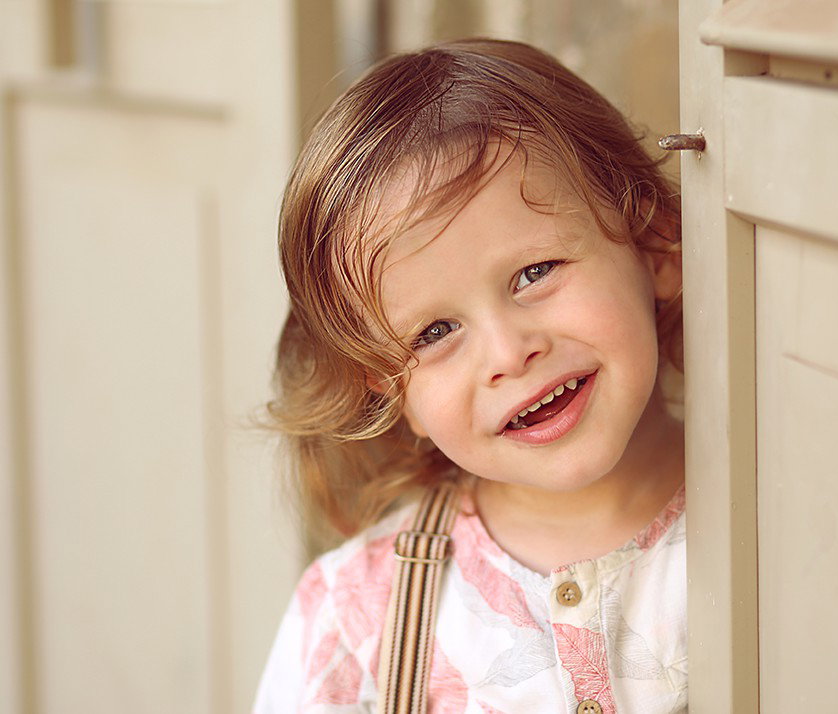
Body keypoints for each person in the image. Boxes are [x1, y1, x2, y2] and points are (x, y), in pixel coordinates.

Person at [254, 37, 687, 713]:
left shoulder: (787, 525)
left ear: (654, 247)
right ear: (393, 392)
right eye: (434, 333)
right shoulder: (352, 620)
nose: (509, 353)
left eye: (535, 273)